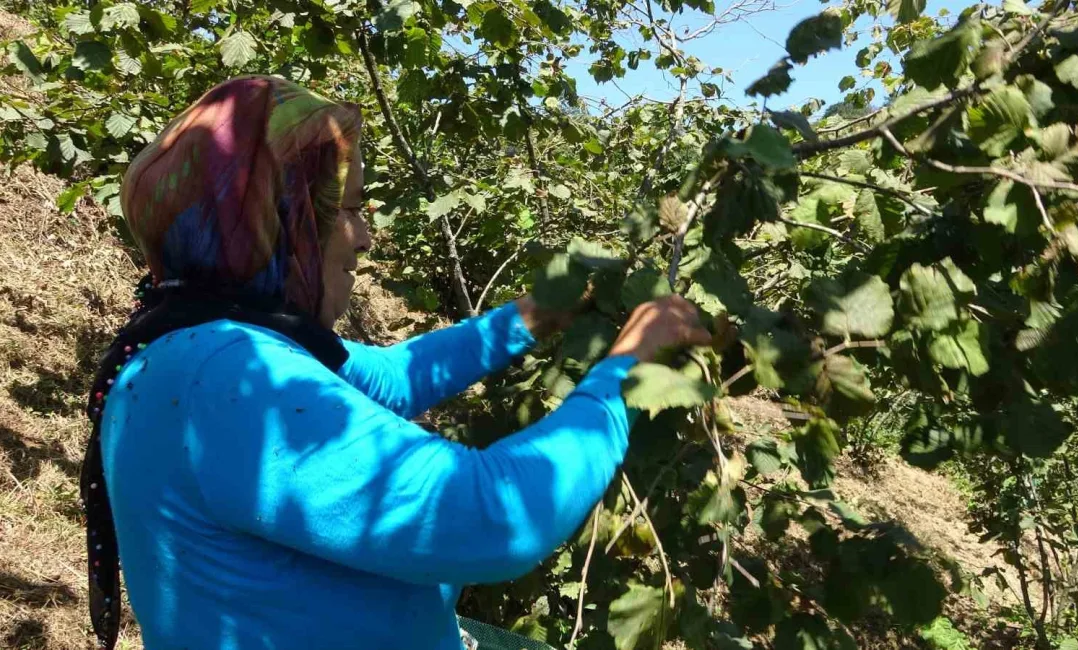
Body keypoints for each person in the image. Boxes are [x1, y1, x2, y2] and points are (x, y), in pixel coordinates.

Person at [80, 76, 711, 650]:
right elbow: (491, 516)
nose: (364, 237)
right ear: (283, 222)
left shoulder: (189, 341)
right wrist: (629, 369)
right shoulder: (230, 378)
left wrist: (536, 315)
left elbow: (391, 378)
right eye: (349, 210)